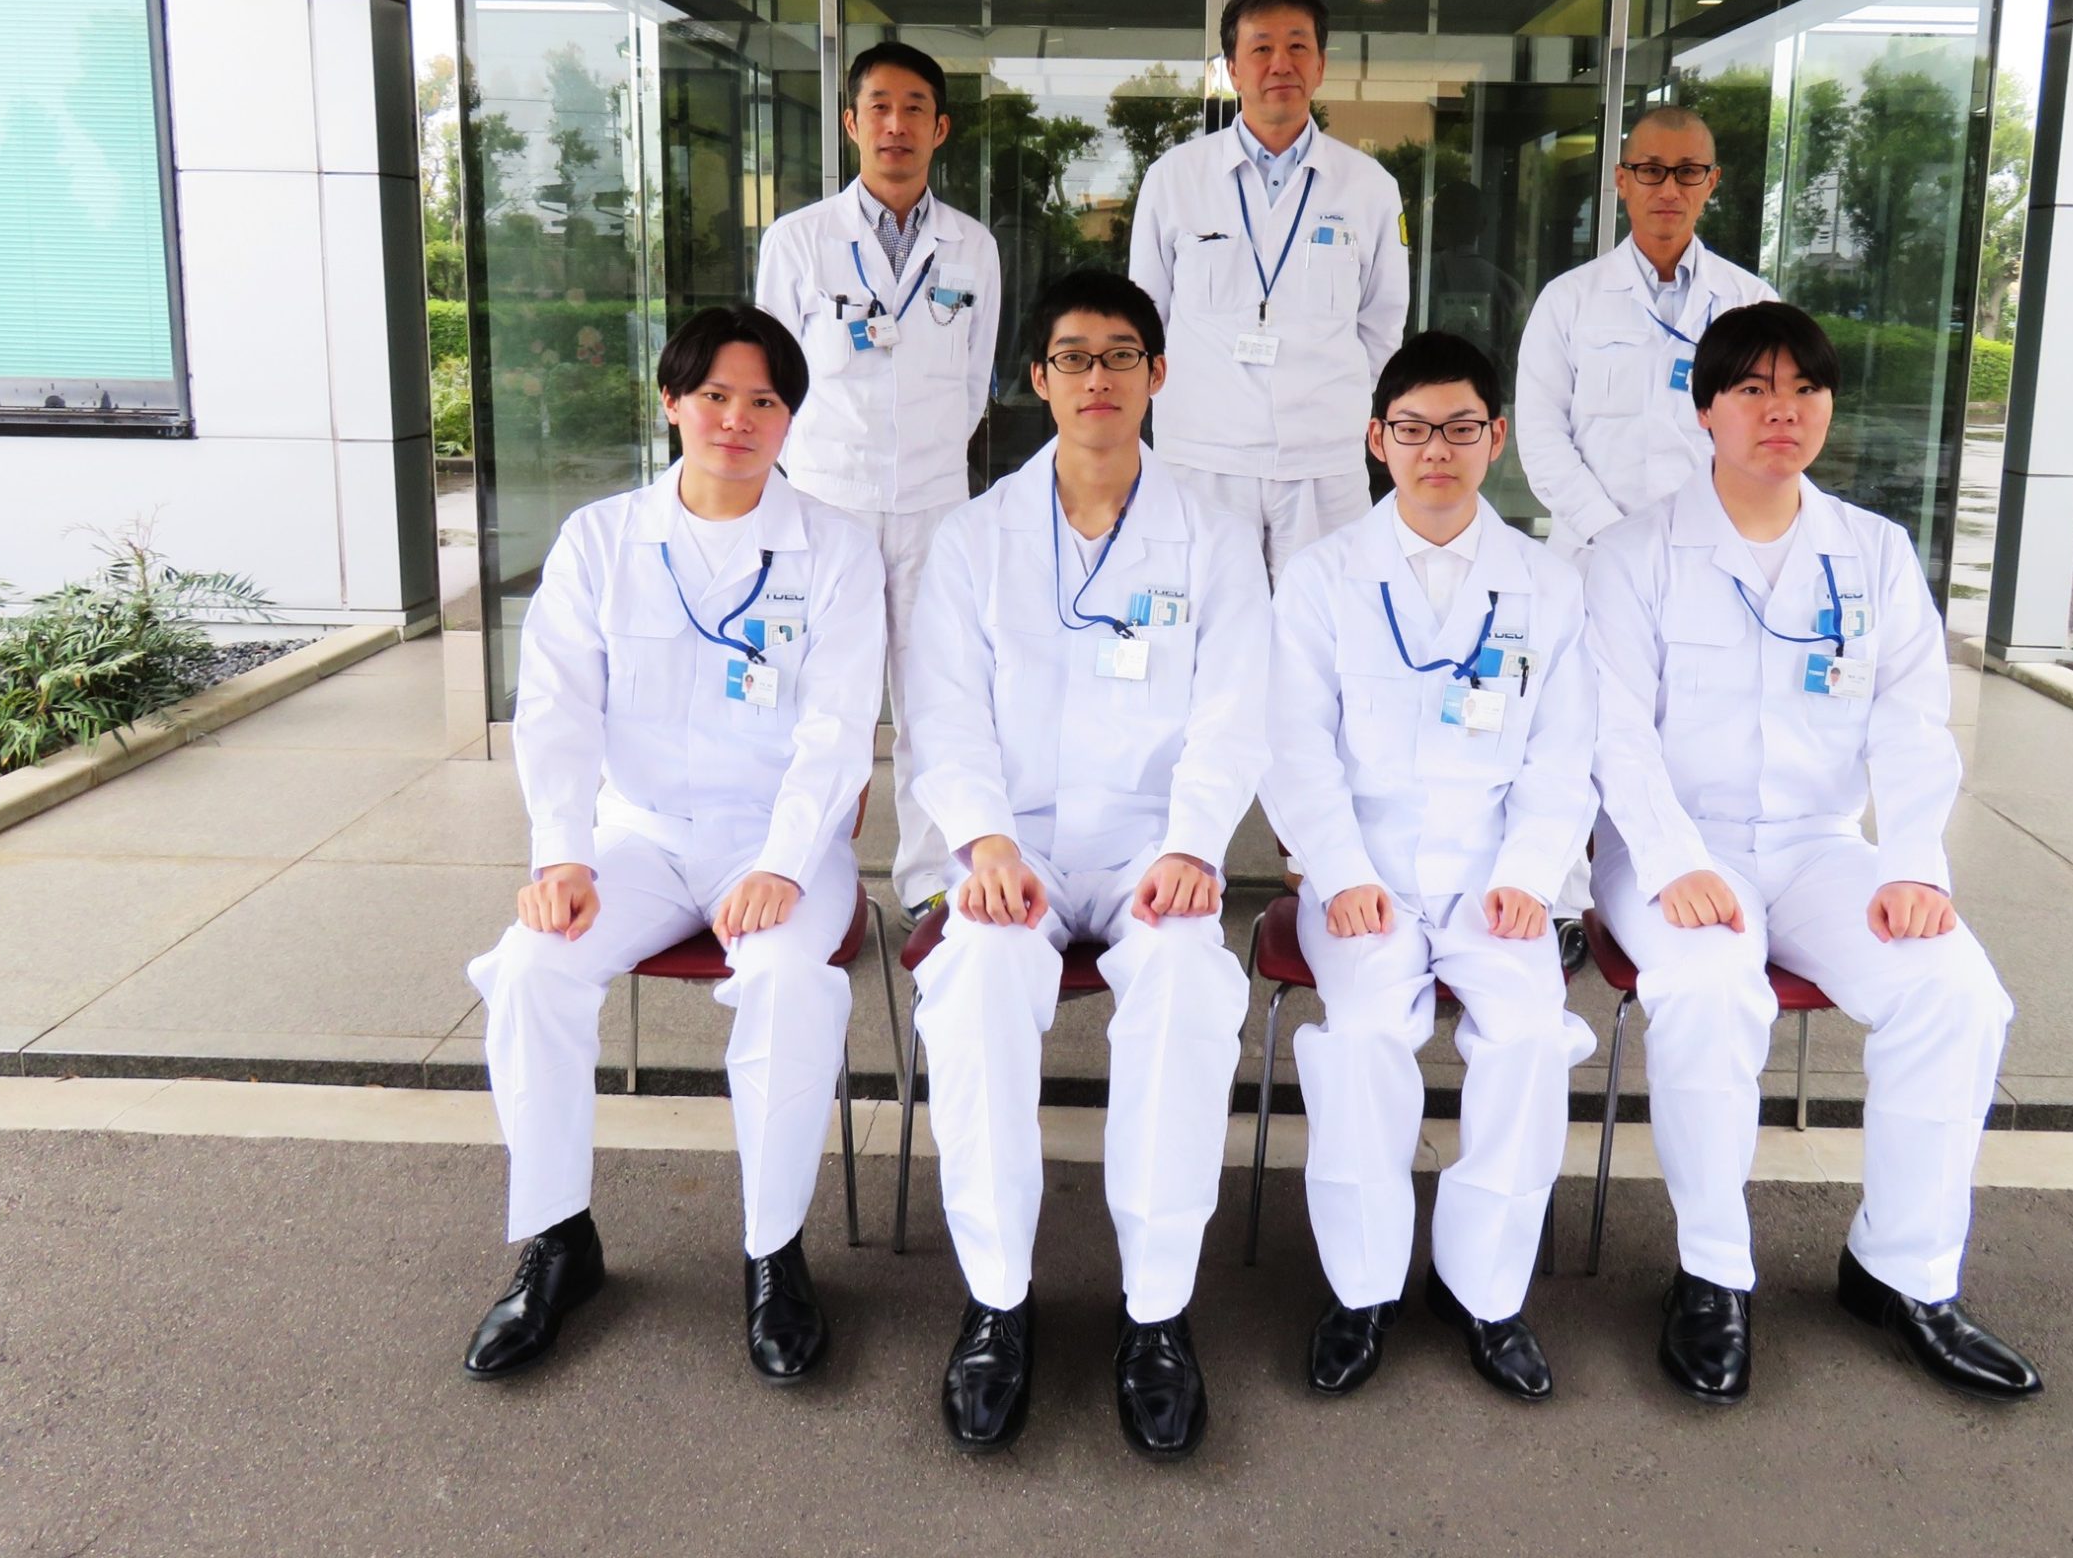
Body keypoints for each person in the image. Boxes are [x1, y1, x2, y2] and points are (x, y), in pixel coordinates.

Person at [1584, 300, 2042, 1407]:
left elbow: (1911, 722)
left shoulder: (1872, 552)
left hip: (1819, 846)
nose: (1780, 411)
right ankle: (1711, 1273)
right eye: (1752, 389)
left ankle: (1902, 1272)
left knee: (1955, 994)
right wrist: (1672, 861)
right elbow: (1611, 729)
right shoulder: (1633, 553)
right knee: (1708, 985)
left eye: (1804, 390)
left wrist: (1914, 865)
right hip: (1673, 845)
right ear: (1705, 409)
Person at [461, 307, 885, 1387]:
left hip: (779, 843)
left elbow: (839, 727)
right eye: (714, 396)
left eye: (763, 401)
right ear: (671, 403)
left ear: (789, 418)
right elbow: (557, 707)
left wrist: (783, 862)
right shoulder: (601, 540)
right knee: (531, 968)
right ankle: (559, 1240)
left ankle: (773, 1252)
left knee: (786, 978)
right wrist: (561, 854)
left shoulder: (836, 548)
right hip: (638, 837)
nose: (737, 420)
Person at [903, 269, 1269, 1459]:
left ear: (1157, 374)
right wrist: (982, 839)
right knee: (975, 982)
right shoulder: (974, 537)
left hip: (1152, 843)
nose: (1097, 377)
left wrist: (1193, 843)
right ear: (1038, 379)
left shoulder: (1214, 540)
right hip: (1014, 841)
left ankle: (1155, 1312)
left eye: (1120, 356)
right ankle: (996, 1302)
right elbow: (941, 711)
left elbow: (1234, 712)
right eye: (1073, 357)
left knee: (1185, 989)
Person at [1262, 331, 1598, 1404]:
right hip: (1361, 875)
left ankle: (1483, 1290)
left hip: (1495, 878)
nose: (1436, 451)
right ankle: (1362, 1288)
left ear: (1496, 438)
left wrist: (1532, 876)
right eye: (1412, 429)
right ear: (1377, 440)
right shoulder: (1320, 578)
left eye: (1459, 428)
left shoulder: (1549, 585)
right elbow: (1293, 747)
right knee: (1364, 1036)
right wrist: (1337, 869)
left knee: (1531, 1039)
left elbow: (1565, 755)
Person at [757, 41, 1003, 924]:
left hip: (936, 506)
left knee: (938, 699)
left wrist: (923, 459)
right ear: (851, 122)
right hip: (827, 502)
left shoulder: (972, 246)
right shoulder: (798, 241)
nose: (896, 125)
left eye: (914, 109)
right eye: (879, 108)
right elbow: (773, 379)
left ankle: (931, 879)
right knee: (827, 700)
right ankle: (813, 875)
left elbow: (974, 382)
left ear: (940, 128)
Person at [1129, 0, 1409, 582]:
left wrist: (1335, 403)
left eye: (1297, 46)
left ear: (1321, 64)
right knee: (1199, 617)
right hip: (1201, 454)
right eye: (1261, 47)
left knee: (1323, 622)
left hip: (1322, 462)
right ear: (1232, 68)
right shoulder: (1175, 178)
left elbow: (1382, 324)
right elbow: (1146, 320)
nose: (1281, 63)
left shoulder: (1369, 188)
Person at [1515, 106, 1776, 560]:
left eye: (1688, 172)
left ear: (1711, 182)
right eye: (1652, 171)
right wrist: (1612, 534)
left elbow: (1772, 431)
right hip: (1592, 554)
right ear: (1622, 180)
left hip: (1711, 552)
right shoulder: (1567, 300)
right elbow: (1542, 438)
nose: (1669, 190)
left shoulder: (1753, 303)